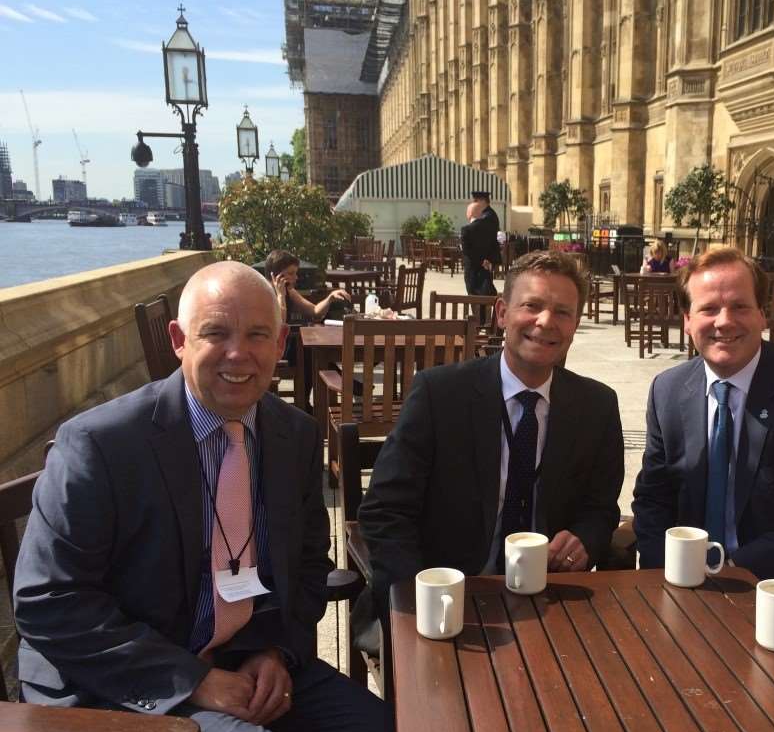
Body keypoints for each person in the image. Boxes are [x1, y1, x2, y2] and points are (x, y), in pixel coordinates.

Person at [14, 261, 390, 732]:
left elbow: (310, 564)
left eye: (258, 335)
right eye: (216, 332)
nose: (239, 355)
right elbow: (49, 602)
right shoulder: (100, 444)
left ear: (280, 342)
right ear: (178, 341)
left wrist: (277, 651)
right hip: (114, 692)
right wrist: (193, 681)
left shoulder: (294, 436)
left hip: (245, 659)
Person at [357, 249, 625, 614]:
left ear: (575, 325)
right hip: (448, 594)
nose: (546, 321)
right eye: (532, 305)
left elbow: (601, 508)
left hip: (548, 595)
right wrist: (422, 598)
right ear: (502, 313)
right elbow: (384, 511)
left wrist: (585, 539)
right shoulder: (440, 395)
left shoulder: (597, 406)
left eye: (563, 312)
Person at [632, 246, 774, 608]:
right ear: (687, 320)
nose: (724, 321)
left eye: (739, 306)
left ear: (764, 315)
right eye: (708, 309)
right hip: (683, 591)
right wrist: (665, 570)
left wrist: (731, 568)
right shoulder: (667, 391)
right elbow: (653, 499)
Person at [265, 249, 351, 409]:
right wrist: (280, 296)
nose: (296, 277)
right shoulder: (266, 294)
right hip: (271, 347)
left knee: (311, 352)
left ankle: (307, 402)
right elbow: (279, 325)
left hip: (288, 345)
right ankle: (344, 384)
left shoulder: (290, 292)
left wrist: (330, 297)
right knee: (308, 353)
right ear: (276, 276)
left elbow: (314, 312)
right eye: (291, 273)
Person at [460, 191, 502, 298]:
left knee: (480, 296)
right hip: (480, 262)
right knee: (480, 295)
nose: (474, 203)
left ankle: (485, 314)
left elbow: (473, 232)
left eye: (476, 201)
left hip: (481, 262)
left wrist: (466, 228)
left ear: (483, 201)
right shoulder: (486, 214)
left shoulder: (488, 216)